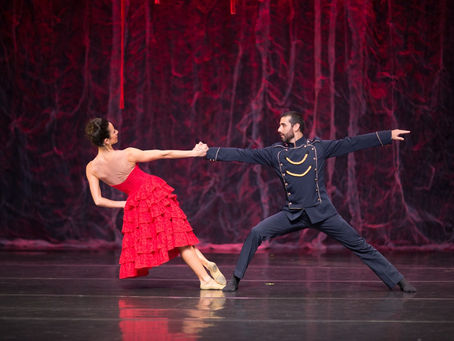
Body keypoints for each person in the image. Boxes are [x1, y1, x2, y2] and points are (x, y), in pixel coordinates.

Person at [206, 111, 416, 293]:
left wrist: (386, 136)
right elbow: (244, 154)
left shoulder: (318, 148)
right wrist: (209, 152)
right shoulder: (276, 153)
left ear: (296, 127)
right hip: (292, 214)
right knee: (256, 232)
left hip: (323, 213)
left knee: (360, 245)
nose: (279, 129)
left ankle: (399, 280)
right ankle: (235, 279)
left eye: (283, 125)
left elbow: (350, 143)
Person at [85, 118, 225, 290]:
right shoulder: (127, 154)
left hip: (137, 203)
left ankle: (204, 262)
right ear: (106, 140)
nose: (117, 132)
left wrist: (125, 204)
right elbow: (163, 153)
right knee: (179, 237)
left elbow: (98, 200)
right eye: (113, 131)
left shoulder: (92, 167)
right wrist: (194, 153)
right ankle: (205, 280)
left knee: (178, 234)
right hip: (153, 194)